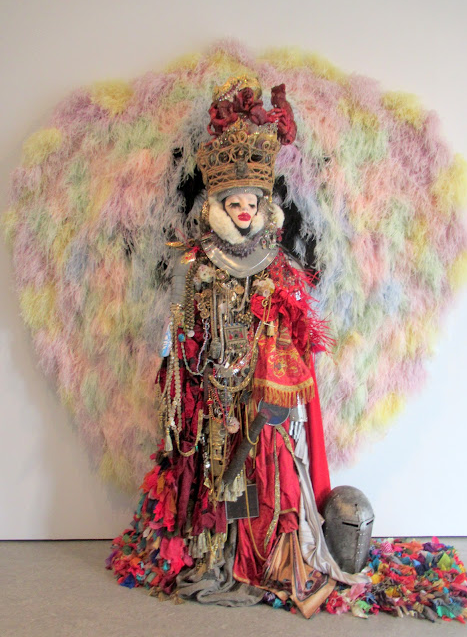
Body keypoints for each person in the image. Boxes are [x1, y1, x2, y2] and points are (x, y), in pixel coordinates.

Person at [107, 76, 366, 618]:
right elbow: (180, 334)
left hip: (261, 398)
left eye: (252, 200)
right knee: (211, 472)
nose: (245, 209)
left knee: (265, 473)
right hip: (211, 395)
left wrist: (279, 371)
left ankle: (264, 555)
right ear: (219, 203)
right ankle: (214, 551)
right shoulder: (196, 262)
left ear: (264, 204)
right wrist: (185, 369)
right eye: (235, 201)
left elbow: (296, 335)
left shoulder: (278, 265)